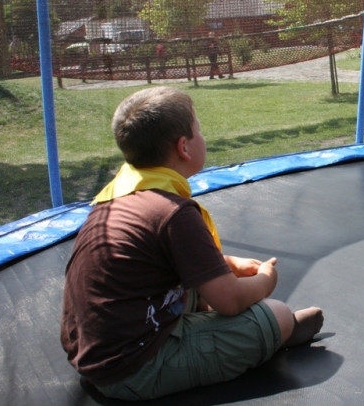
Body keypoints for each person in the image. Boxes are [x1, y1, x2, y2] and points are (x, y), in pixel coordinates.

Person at [61, 87, 324, 401]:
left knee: (204, 280)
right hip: (133, 369)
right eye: (199, 131)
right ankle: (277, 331)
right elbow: (229, 301)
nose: (203, 138)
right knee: (277, 313)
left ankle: (213, 322)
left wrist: (225, 264)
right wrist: (266, 280)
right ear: (184, 147)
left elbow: (159, 256)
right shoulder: (172, 212)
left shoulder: (119, 195)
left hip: (96, 353)